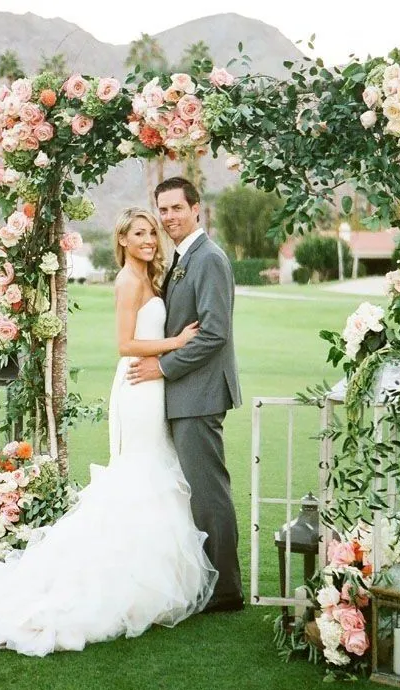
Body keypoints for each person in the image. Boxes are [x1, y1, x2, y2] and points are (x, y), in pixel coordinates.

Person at [0, 207, 218, 657]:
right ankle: (121, 578)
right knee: (138, 473)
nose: (149, 239)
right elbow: (125, 344)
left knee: (154, 468)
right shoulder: (128, 282)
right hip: (137, 387)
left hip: (153, 387)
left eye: (151, 232)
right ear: (123, 240)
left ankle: (146, 578)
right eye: (139, 233)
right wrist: (176, 343)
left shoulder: (151, 278)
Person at [127, 177, 244, 612]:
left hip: (200, 394)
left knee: (209, 492)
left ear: (197, 208)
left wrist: (162, 365)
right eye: (164, 209)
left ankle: (227, 591)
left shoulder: (209, 258)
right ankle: (204, 579)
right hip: (183, 394)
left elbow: (214, 332)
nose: (169, 217)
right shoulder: (182, 258)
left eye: (177, 208)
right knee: (192, 493)